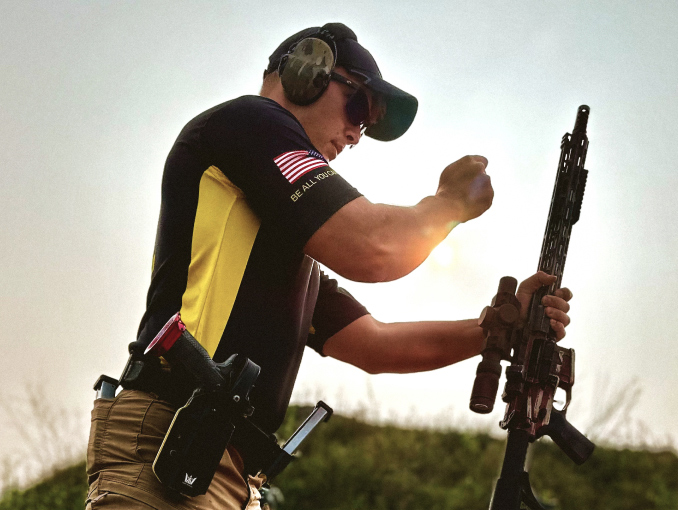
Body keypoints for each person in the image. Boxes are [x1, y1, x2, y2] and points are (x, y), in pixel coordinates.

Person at [85, 22, 574, 510]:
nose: (357, 134)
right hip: (168, 442)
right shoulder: (251, 123)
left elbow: (376, 345)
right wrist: (447, 204)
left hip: (220, 468)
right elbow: (375, 247)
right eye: (358, 106)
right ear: (307, 69)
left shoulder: (280, 244)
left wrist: (495, 330)